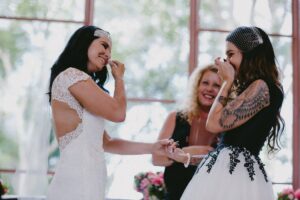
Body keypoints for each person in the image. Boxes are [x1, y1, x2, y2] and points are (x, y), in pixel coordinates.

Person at [46, 25, 172, 200]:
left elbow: (108, 142)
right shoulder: (71, 75)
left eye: (110, 50)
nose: (108, 54)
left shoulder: (81, 84)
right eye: (104, 45)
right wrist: (119, 79)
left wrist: (152, 147)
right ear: (85, 42)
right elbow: (118, 113)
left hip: (91, 181)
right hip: (76, 183)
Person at [178, 26, 285, 200]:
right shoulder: (254, 87)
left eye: (230, 54)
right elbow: (229, 144)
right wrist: (187, 157)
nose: (226, 61)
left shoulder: (263, 87)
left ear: (249, 54)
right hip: (230, 171)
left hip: (237, 176)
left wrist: (227, 82)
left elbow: (213, 124)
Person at [152, 64, 222, 200]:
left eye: (216, 85)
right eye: (205, 83)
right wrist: (196, 151)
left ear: (224, 91)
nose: (209, 89)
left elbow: (219, 159)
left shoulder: (226, 124)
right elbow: (156, 158)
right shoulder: (175, 117)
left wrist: (177, 153)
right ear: (196, 86)